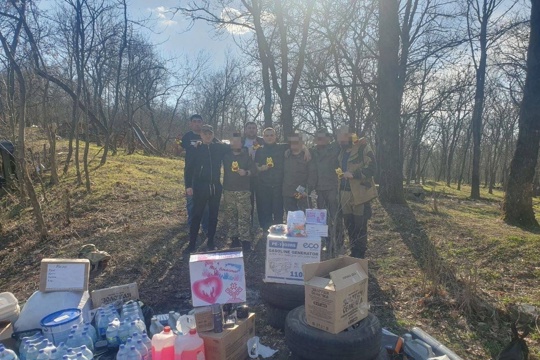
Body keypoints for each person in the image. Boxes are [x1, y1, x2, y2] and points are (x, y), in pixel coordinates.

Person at [184, 125, 229, 253]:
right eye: (205, 133)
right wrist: (188, 186)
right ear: (201, 135)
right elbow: (188, 169)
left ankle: (211, 242)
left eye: (210, 133)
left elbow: (234, 146)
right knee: (197, 215)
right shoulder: (195, 149)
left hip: (215, 186)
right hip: (200, 186)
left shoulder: (219, 148)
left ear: (213, 135)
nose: (208, 136)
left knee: (213, 216)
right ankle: (191, 244)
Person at [337, 129, 378, 258]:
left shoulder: (363, 148)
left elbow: (372, 169)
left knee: (360, 225)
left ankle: (360, 254)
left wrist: (354, 175)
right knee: (349, 224)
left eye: (344, 136)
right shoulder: (341, 152)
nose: (342, 140)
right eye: (339, 137)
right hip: (344, 194)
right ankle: (353, 250)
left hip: (360, 193)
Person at [311, 127, 343, 257]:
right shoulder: (312, 151)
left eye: (323, 137)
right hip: (319, 189)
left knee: (336, 217)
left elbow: (349, 143)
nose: (321, 139)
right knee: (323, 218)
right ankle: (327, 242)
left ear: (329, 138)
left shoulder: (336, 148)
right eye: (318, 137)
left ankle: (339, 243)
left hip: (333, 187)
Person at [223, 133, 257, 252]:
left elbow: (254, 170)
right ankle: (234, 239)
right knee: (231, 216)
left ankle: (246, 241)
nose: (236, 143)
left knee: (244, 216)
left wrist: (246, 172)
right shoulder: (225, 155)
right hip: (228, 190)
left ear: (241, 143)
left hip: (243, 191)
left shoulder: (246, 156)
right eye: (233, 141)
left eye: (238, 141)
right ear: (230, 142)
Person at [180, 114, 209, 235]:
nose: (197, 124)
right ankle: (192, 228)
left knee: (206, 204)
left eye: (199, 121)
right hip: (191, 174)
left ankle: (206, 228)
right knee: (191, 203)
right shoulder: (187, 137)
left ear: (202, 123)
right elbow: (181, 150)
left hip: (206, 175)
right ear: (190, 123)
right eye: (194, 121)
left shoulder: (207, 135)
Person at [282, 134, 317, 212]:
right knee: (291, 220)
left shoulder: (307, 156)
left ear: (301, 143)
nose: (294, 143)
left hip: (302, 193)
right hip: (288, 193)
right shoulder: (285, 155)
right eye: (292, 141)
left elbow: (312, 175)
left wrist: (307, 191)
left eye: (296, 141)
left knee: (304, 219)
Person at [242, 122, 265, 229]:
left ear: (257, 130)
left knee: (262, 201)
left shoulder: (263, 140)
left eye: (254, 128)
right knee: (247, 203)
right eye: (249, 128)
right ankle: (248, 226)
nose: (251, 130)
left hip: (261, 176)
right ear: (245, 130)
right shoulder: (241, 141)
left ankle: (263, 226)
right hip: (246, 176)